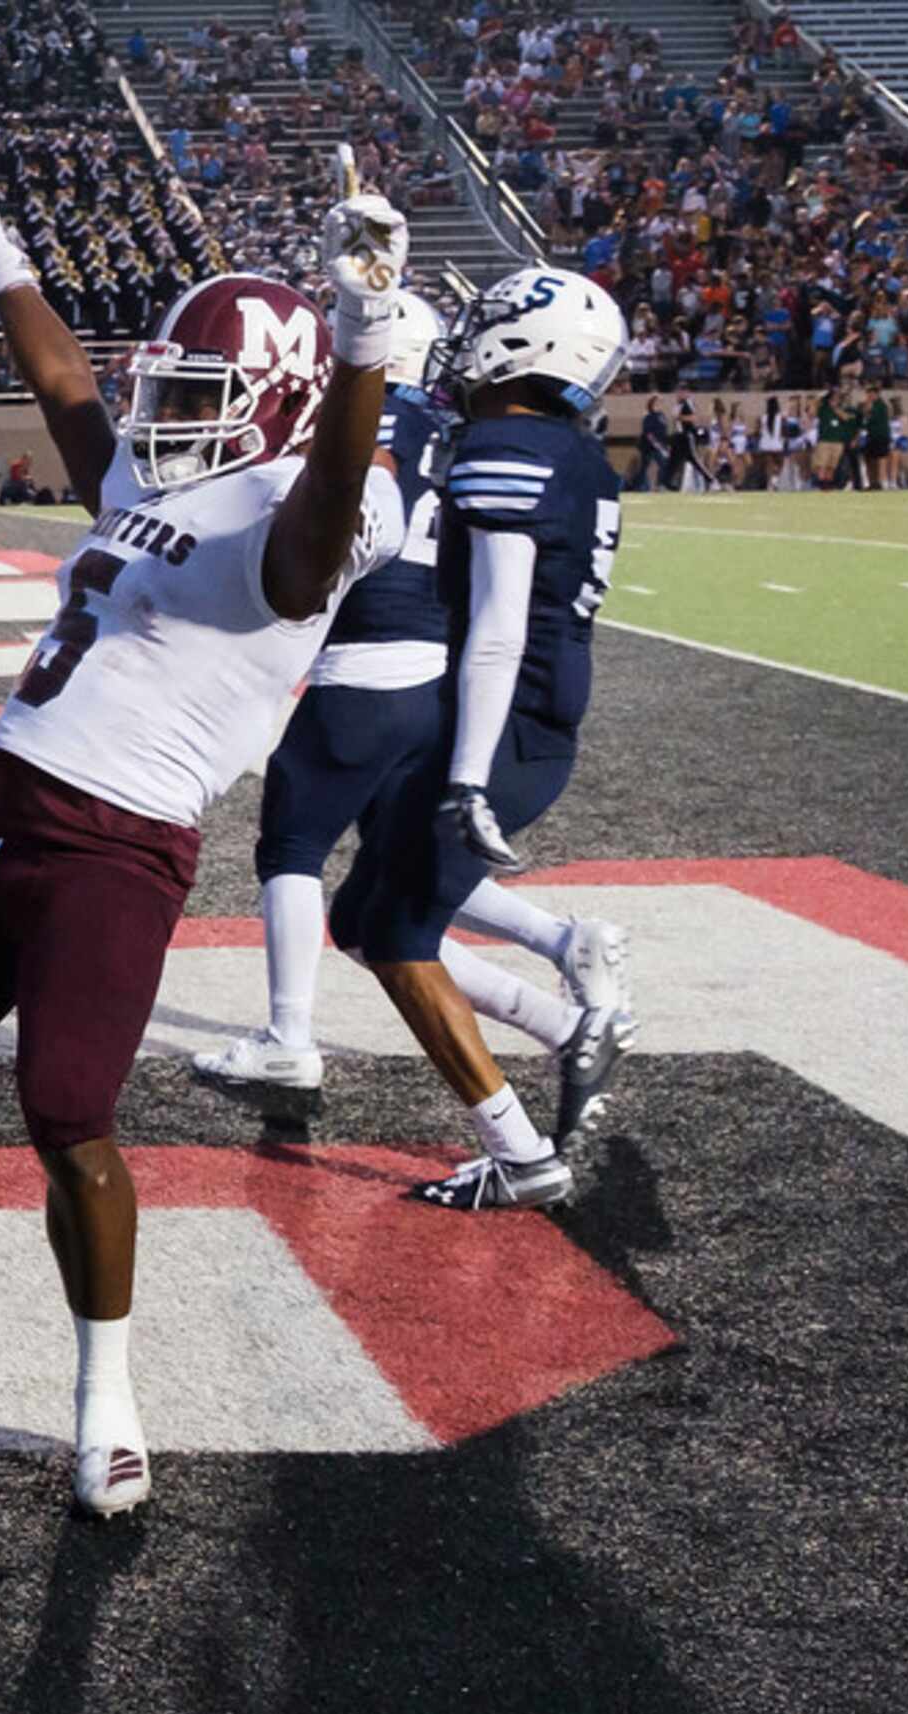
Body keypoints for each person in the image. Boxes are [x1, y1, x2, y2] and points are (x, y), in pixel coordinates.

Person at [0, 134, 413, 1518]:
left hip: (118, 848)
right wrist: (5, 262)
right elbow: (62, 387)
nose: (165, 413)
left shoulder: (326, 504)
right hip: (3, 812)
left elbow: (307, 544)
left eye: (201, 393)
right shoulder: (167, 476)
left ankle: (107, 1398)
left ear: (287, 404)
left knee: (67, 1115)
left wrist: (363, 347)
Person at [195, 282, 634, 1150]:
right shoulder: (483, 436)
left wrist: (470, 777)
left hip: (382, 669)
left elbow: (495, 617)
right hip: (444, 679)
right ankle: (560, 991)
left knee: (310, 859)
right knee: (380, 900)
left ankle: (297, 1041)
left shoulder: (439, 431)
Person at [316, 265, 630, 1210]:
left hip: (504, 726)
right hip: (516, 717)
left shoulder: (505, 443)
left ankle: (523, 1154)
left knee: (401, 938)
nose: (464, 343)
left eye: (487, 325)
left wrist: (464, 780)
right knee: (358, 920)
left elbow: (497, 627)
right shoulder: (567, 451)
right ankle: (568, 1022)